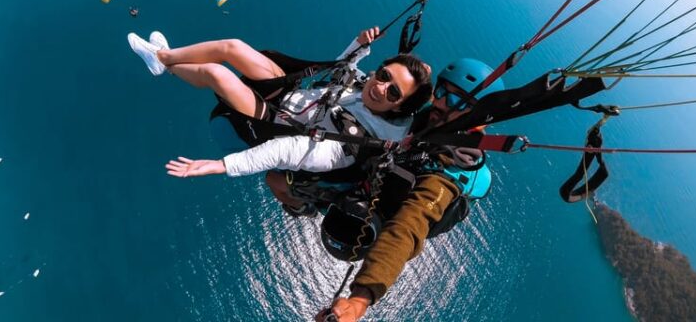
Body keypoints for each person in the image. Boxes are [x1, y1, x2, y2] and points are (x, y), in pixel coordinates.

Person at [127, 28, 433, 207]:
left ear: (398, 108)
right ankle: (163, 57)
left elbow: (288, 150)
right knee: (231, 47)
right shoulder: (365, 89)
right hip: (288, 93)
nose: (380, 87)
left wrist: (224, 166)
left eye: (393, 92)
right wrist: (359, 45)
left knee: (215, 74)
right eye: (383, 75)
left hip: (272, 124)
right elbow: (339, 72)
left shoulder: (352, 144)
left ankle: (162, 62)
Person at [313, 58, 505, 322]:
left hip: (391, 210)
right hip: (383, 182)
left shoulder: (446, 174)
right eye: (441, 92)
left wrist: (360, 299)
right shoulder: (428, 118)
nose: (441, 104)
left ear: (481, 118)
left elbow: (408, 228)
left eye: (458, 102)